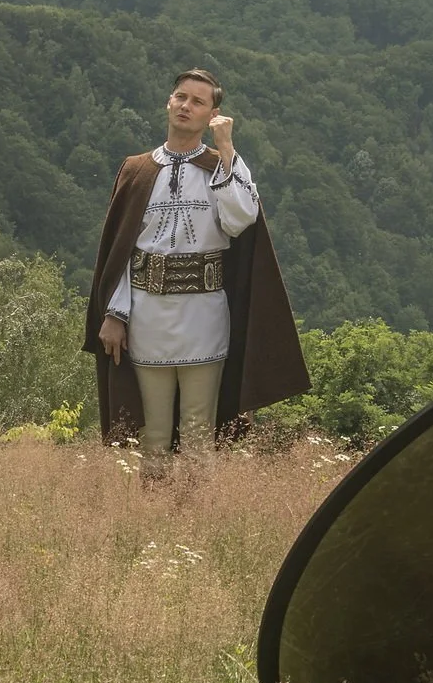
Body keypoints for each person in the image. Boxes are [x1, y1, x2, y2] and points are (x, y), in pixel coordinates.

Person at [84, 70, 309, 471]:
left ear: (213, 114)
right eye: (181, 97)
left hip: (204, 316)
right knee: (151, 432)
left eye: (198, 101)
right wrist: (114, 314)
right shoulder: (136, 170)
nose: (186, 106)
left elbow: (241, 219)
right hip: (148, 317)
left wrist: (226, 150)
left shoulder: (224, 166)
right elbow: (120, 251)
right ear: (169, 103)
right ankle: (153, 512)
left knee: (198, 431)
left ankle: (191, 515)